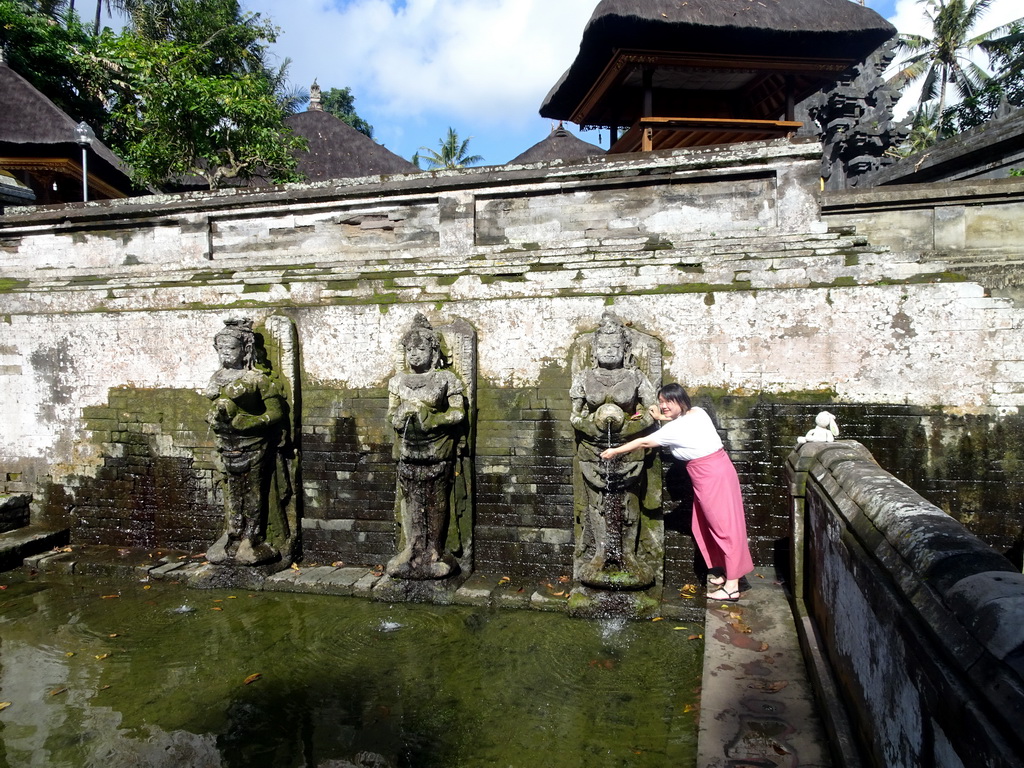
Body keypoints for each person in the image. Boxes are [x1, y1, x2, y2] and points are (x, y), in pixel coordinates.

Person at [600, 383, 753, 601]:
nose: (663, 406)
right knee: (705, 524)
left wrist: (615, 450)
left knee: (724, 526)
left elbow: (644, 441)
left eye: (667, 402)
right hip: (716, 470)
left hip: (711, 475)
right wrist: (660, 418)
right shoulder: (698, 412)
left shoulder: (676, 427)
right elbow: (679, 423)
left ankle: (732, 587)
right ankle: (727, 571)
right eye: (660, 402)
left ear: (680, 400)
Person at [570, 313, 657, 588]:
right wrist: (590, 427)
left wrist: (631, 429)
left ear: (625, 351)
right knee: (597, 502)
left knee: (629, 502)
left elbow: (651, 412)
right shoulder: (585, 377)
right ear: (595, 351)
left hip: (629, 449)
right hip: (593, 449)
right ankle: (599, 552)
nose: (609, 351)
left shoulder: (636, 377)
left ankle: (627, 555)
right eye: (604, 347)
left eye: (615, 347)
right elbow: (575, 416)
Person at [387, 314, 466, 579]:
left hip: (437, 449)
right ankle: (412, 546)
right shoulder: (397, 381)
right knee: (411, 500)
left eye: (421, 349)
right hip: (409, 450)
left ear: (434, 352)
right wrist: (398, 418)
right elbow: (390, 414)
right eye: (410, 349)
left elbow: (458, 414)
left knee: (435, 500)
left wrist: (433, 420)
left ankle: (434, 548)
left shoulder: (445, 379)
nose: (415, 354)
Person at [205, 318, 289, 566]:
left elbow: (276, 413)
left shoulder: (257, 380)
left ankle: (253, 536)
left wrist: (252, 422)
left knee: (253, 491)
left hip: (253, 445)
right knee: (232, 491)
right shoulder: (217, 377)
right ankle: (233, 534)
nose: (225, 353)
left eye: (230, 348)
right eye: (221, 349)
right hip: (226, 444)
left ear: (245, 350)